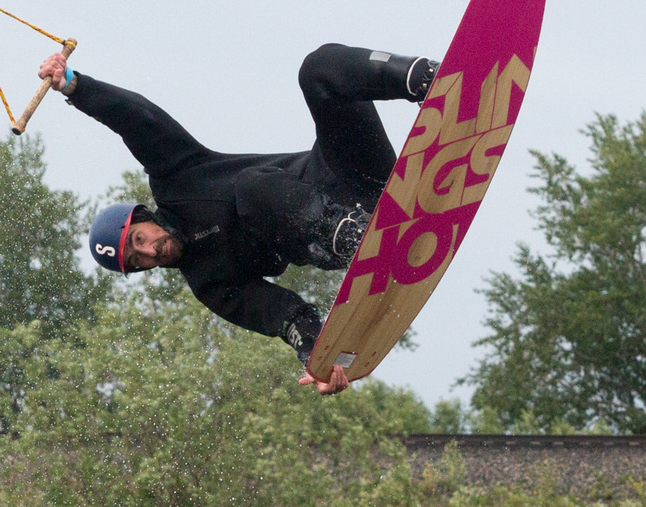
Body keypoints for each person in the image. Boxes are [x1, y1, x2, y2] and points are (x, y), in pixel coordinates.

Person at [38, 42, 438, 396]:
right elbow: (284, 315)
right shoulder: (210, 282)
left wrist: (76, 86)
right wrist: (319, 357)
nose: (149, 252)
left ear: (143, 217)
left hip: (351, 173)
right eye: (137, 260)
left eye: (138, 239)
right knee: (253, 189)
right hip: (336, 240)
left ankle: (428, 79)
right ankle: (355, 237)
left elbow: (135, 118)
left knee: (319, 70)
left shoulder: (179, 178)